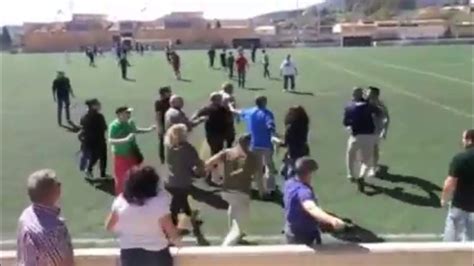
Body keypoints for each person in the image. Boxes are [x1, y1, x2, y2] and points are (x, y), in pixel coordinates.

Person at [105, 166, 181, 266]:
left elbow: (109, 226)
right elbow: (171, 232)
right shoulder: (160, 202)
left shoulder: (120, 202)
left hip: (129, 255)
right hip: (156, 255)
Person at [205, 134, 258, 246]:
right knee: (240, 225)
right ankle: (226, 247)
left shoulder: (227, 153)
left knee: (233, 208)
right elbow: (251, 174)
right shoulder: (251, 157)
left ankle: (235, 238)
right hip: (241, 192)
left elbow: (209, 163)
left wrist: (215, 174)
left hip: (226, 191)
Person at [17, 169, 74, 266]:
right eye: (57, 184)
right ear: (51, 192)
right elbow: (63, 263)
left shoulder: (26, 215)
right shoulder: (53, 230)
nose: (60, 185)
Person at [284, 157, 346, 246]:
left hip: (291, 230)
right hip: (304, 235)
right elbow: (310, 207)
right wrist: (332, 220)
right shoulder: (304, 191)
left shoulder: (289, 183)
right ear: (309, 173)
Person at [230, 96, 277, 198]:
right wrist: (274, 134)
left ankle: (261, 192)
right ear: (264, 102)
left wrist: (231, 107)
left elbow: (238, 112)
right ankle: (270, 188)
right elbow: (270, 125)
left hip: (254, 144)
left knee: (258, 169)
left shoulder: (250, 112)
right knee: (269, 166)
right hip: (266, 145)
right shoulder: (267, 113)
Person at [109, 106, 156, 195]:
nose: (129, 115)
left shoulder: (130, 123)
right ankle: (121, 196)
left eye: (129, 113)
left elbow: (136, 130)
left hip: (132, 153)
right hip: (120, 155)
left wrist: (149, 129)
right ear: (119, 115)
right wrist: (125, 140)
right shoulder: (114, 126)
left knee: (134, 175)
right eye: (127, 113)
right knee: (121, 177)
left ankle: (134, 192)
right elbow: (111, 140)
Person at [165, 124, 205, 227]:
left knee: (182, 201)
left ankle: (192, 219)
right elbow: (196, 164)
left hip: (170, 181)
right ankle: (172, 227)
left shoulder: (169, 147)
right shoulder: (188, 148)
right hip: (183, 183)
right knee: (175, 207)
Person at [343, 87, 380, 192]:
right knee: (366, 161)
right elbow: (379, 114)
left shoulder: (349, 107)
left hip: (355, 136)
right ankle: (361, 176)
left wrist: (349, 127)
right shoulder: (370, 106)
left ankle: (350, 174)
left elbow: (346, 123)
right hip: (369, 136)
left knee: (350, 155)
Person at [441, 129, 474, 242]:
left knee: (450, 244)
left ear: (469, 140)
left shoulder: (459, 159)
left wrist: (444, 200)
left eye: (464, 139)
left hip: (459, 207)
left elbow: (449, 184)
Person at [79, 98, 108, 178]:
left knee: (95, 157)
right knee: (102, 157)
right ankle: (101, 173)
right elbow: (105, 127)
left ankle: (89, 169)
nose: (99, 105)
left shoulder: (84, 117)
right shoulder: (99, 117)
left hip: (89, 141)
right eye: (98, 104)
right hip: (99, 140)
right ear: (93, 106)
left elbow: (82, 128)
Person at [279, 106, 310, 179]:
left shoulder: (290, 127)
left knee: (290, 171)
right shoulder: (304, 124)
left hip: (293, 151)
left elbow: (286, 142)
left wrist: (279, 142)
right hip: (303, 149)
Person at [366, 86, 390, 176]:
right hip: (363, 129)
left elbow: (386, 118)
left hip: (375, 130)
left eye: (369, 92)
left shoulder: (380, 105)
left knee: (374, 149)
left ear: (375, 94)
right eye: (367, 92)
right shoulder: (363, 102)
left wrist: (384, 131)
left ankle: (373, 167)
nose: (367, 93)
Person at [155, 86, 172, 164]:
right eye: (168, 92)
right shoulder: (159, 102)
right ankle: (162, 157)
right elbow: (158, 115)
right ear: (164, 93)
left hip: (171, 123)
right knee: (162, 141)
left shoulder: (171, 100)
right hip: (163, 123)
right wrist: (160, 127)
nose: (170, 93)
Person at [219, 82, 237, 147]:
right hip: (228, 119)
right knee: (230, 138)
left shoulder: (218, 95)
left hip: (218, 119)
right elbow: (232, 108)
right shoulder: (230, 97)